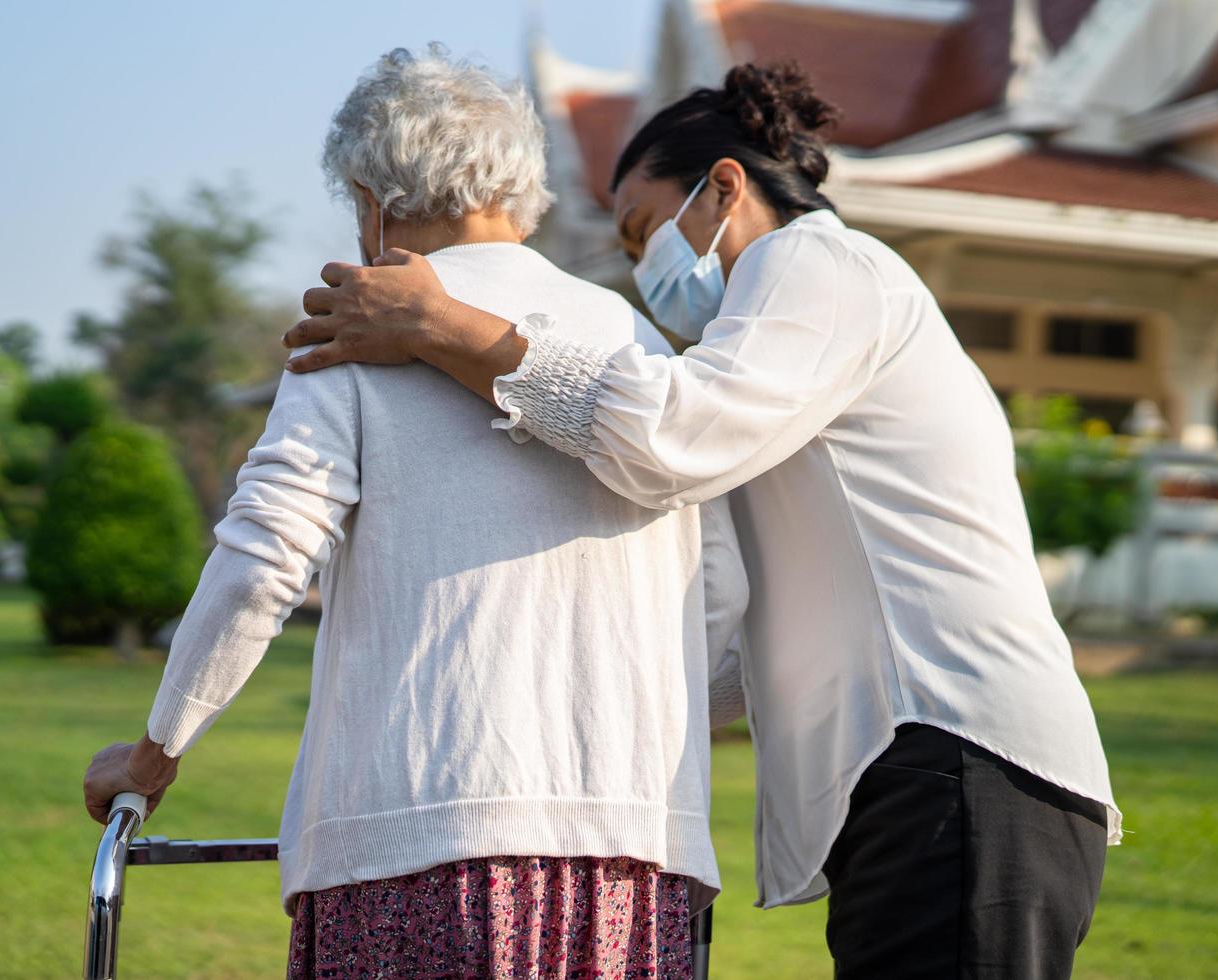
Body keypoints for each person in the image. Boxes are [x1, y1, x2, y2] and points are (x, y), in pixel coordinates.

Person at [281, 61, 1123, 978]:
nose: (647, 275)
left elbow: (668, 438)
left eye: (645, 231)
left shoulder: (820, 264)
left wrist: (445, 326)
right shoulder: (770, 361)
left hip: (962, 757)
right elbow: (730, 625)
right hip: (920, 778)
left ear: (725, 184)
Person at [82, 47, 749, 980]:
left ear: (372, 202)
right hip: (633, 870)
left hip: (419, 843)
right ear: (520, 186)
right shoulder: (639, 339)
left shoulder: (358, 331)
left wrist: (154, 753)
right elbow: (721, 596)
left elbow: (262, 562)